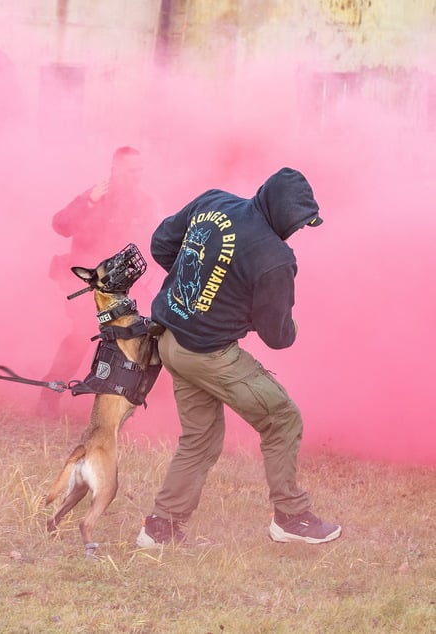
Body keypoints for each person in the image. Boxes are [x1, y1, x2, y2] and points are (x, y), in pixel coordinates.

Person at [136, 167, 341, 547]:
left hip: (169, 339)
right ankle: (291, 518)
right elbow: (277, 336)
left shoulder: (213, 201)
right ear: (281, 211)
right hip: (208, 354)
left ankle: (160, 528)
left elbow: (162, 243)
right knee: (282, 418)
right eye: (296, 223)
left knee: (200, 438)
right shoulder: (274, 258)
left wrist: (196, 296)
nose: (295, 231)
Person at [37, 146, 157, 416]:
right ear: (115, 169)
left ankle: (113, 409)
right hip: (90, 283)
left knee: (130, 343)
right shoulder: (96, 196)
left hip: (124, 286)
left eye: (140, 171)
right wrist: (88, 202)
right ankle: (49, 395)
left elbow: (155, 241)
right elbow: (61, 224)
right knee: (80, 336)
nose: (137, 176)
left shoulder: (144, 203)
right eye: (131, 171)